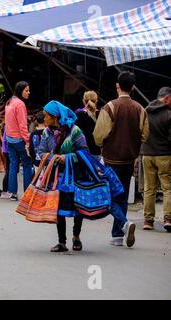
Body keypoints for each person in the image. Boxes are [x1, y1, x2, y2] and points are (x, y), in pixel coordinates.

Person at [93, 71, 149, 246]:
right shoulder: (140, 109)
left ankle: (124, 224)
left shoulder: (109, 107)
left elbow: (98, 135)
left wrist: (105, 143)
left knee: (109, 196)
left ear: (117, 85)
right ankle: (117, 236)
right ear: (132, 88)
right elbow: (145, 135)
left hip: (111, 158)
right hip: (129, 159)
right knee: (123, 195)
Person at [38, 101, 87, 252]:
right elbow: (40, 152)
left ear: (55, 117)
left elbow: (84, 152)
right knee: (58, 208)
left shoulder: (75, 131)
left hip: (74, 175)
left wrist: (68, 158)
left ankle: (76, 237)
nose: (43, 119)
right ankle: (62, 242)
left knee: (78, 207)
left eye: (46, 116)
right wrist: (51, 157)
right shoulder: (47, 132)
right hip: (56, 176)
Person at [139, 87, 171, 232]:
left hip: (147, 155)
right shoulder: (169, 114)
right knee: (167, 188)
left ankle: (148, 221)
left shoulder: (145, 112)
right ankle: (168, 219)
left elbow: (140, 132)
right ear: (167, 98)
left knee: (149, 188)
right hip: (164, 155)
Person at [5, 81, 34, 201]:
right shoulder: (20, 104)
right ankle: (27, 193)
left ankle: (12, 192)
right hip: (19, 139)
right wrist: (27, 141)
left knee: (13, 165)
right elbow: (23, 125)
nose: (28, 92)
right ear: (20, 90)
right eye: (26, 90)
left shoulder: (10, 101)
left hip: (9, 138)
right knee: (27, 164)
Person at [75, 91, 101, 160]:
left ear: (83, 101)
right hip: (96, 151)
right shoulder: (101, 114)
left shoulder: (78, 114)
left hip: (81, 152)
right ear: (96, 101)